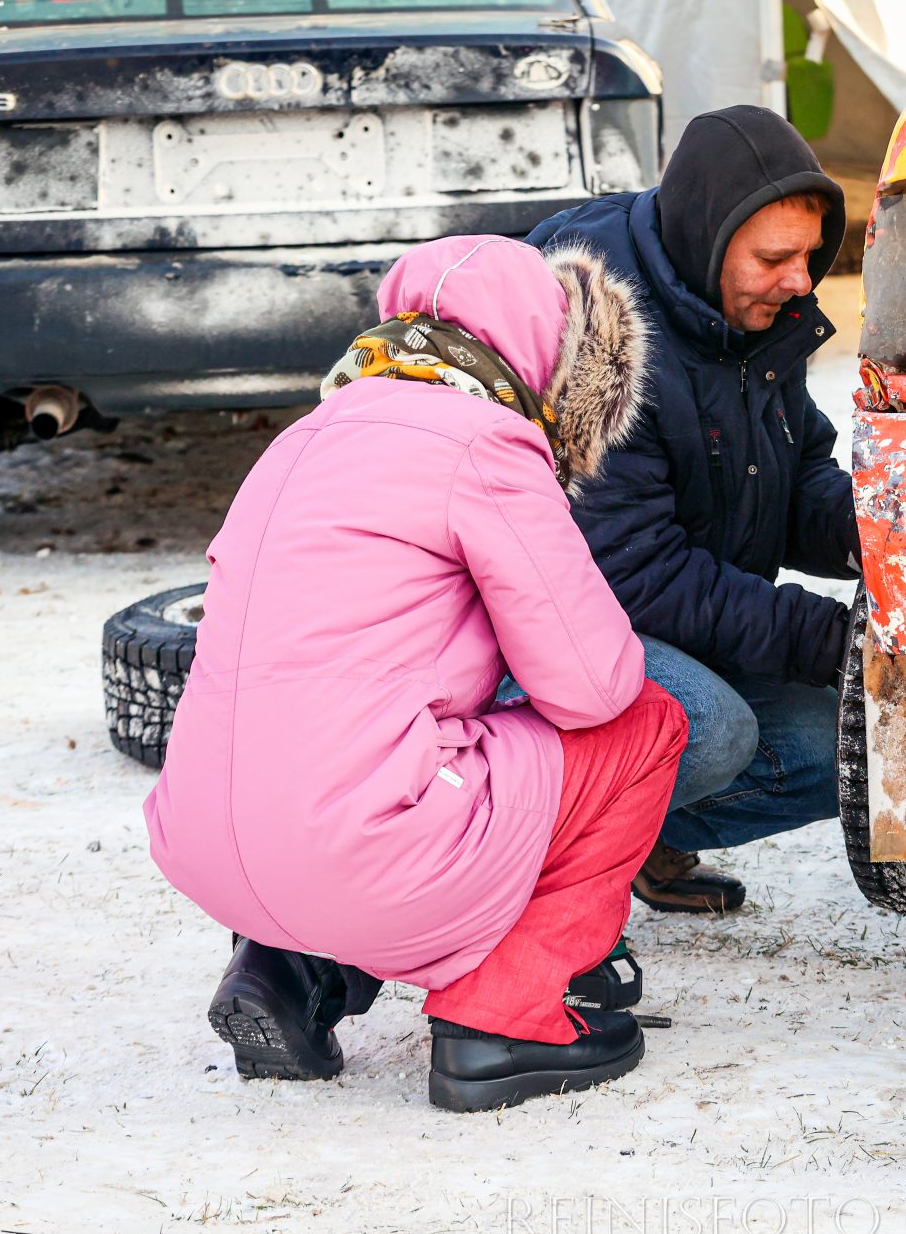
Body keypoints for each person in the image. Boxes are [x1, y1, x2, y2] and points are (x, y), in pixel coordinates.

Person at [144, 235, 687, 1113]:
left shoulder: (305, 434)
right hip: (357, 851)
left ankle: (283, 974)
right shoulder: (485, 440)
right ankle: (502, 1020)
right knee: (649, 724)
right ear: (545, 345)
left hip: (202, 843)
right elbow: (592, 687)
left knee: (345, 736)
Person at [526, 105, 860, 916]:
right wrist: (836, 641)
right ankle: (535, 871)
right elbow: (635, 572)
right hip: (536, 639)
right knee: (710, 727)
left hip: (658, 618)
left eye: (810, 256)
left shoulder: (753, 313)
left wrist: (890, 536)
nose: (801, 282)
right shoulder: (597, 332)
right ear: (708, 238)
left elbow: (796, 476)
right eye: (774, 259)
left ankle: (637, 836)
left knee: (848, 747)